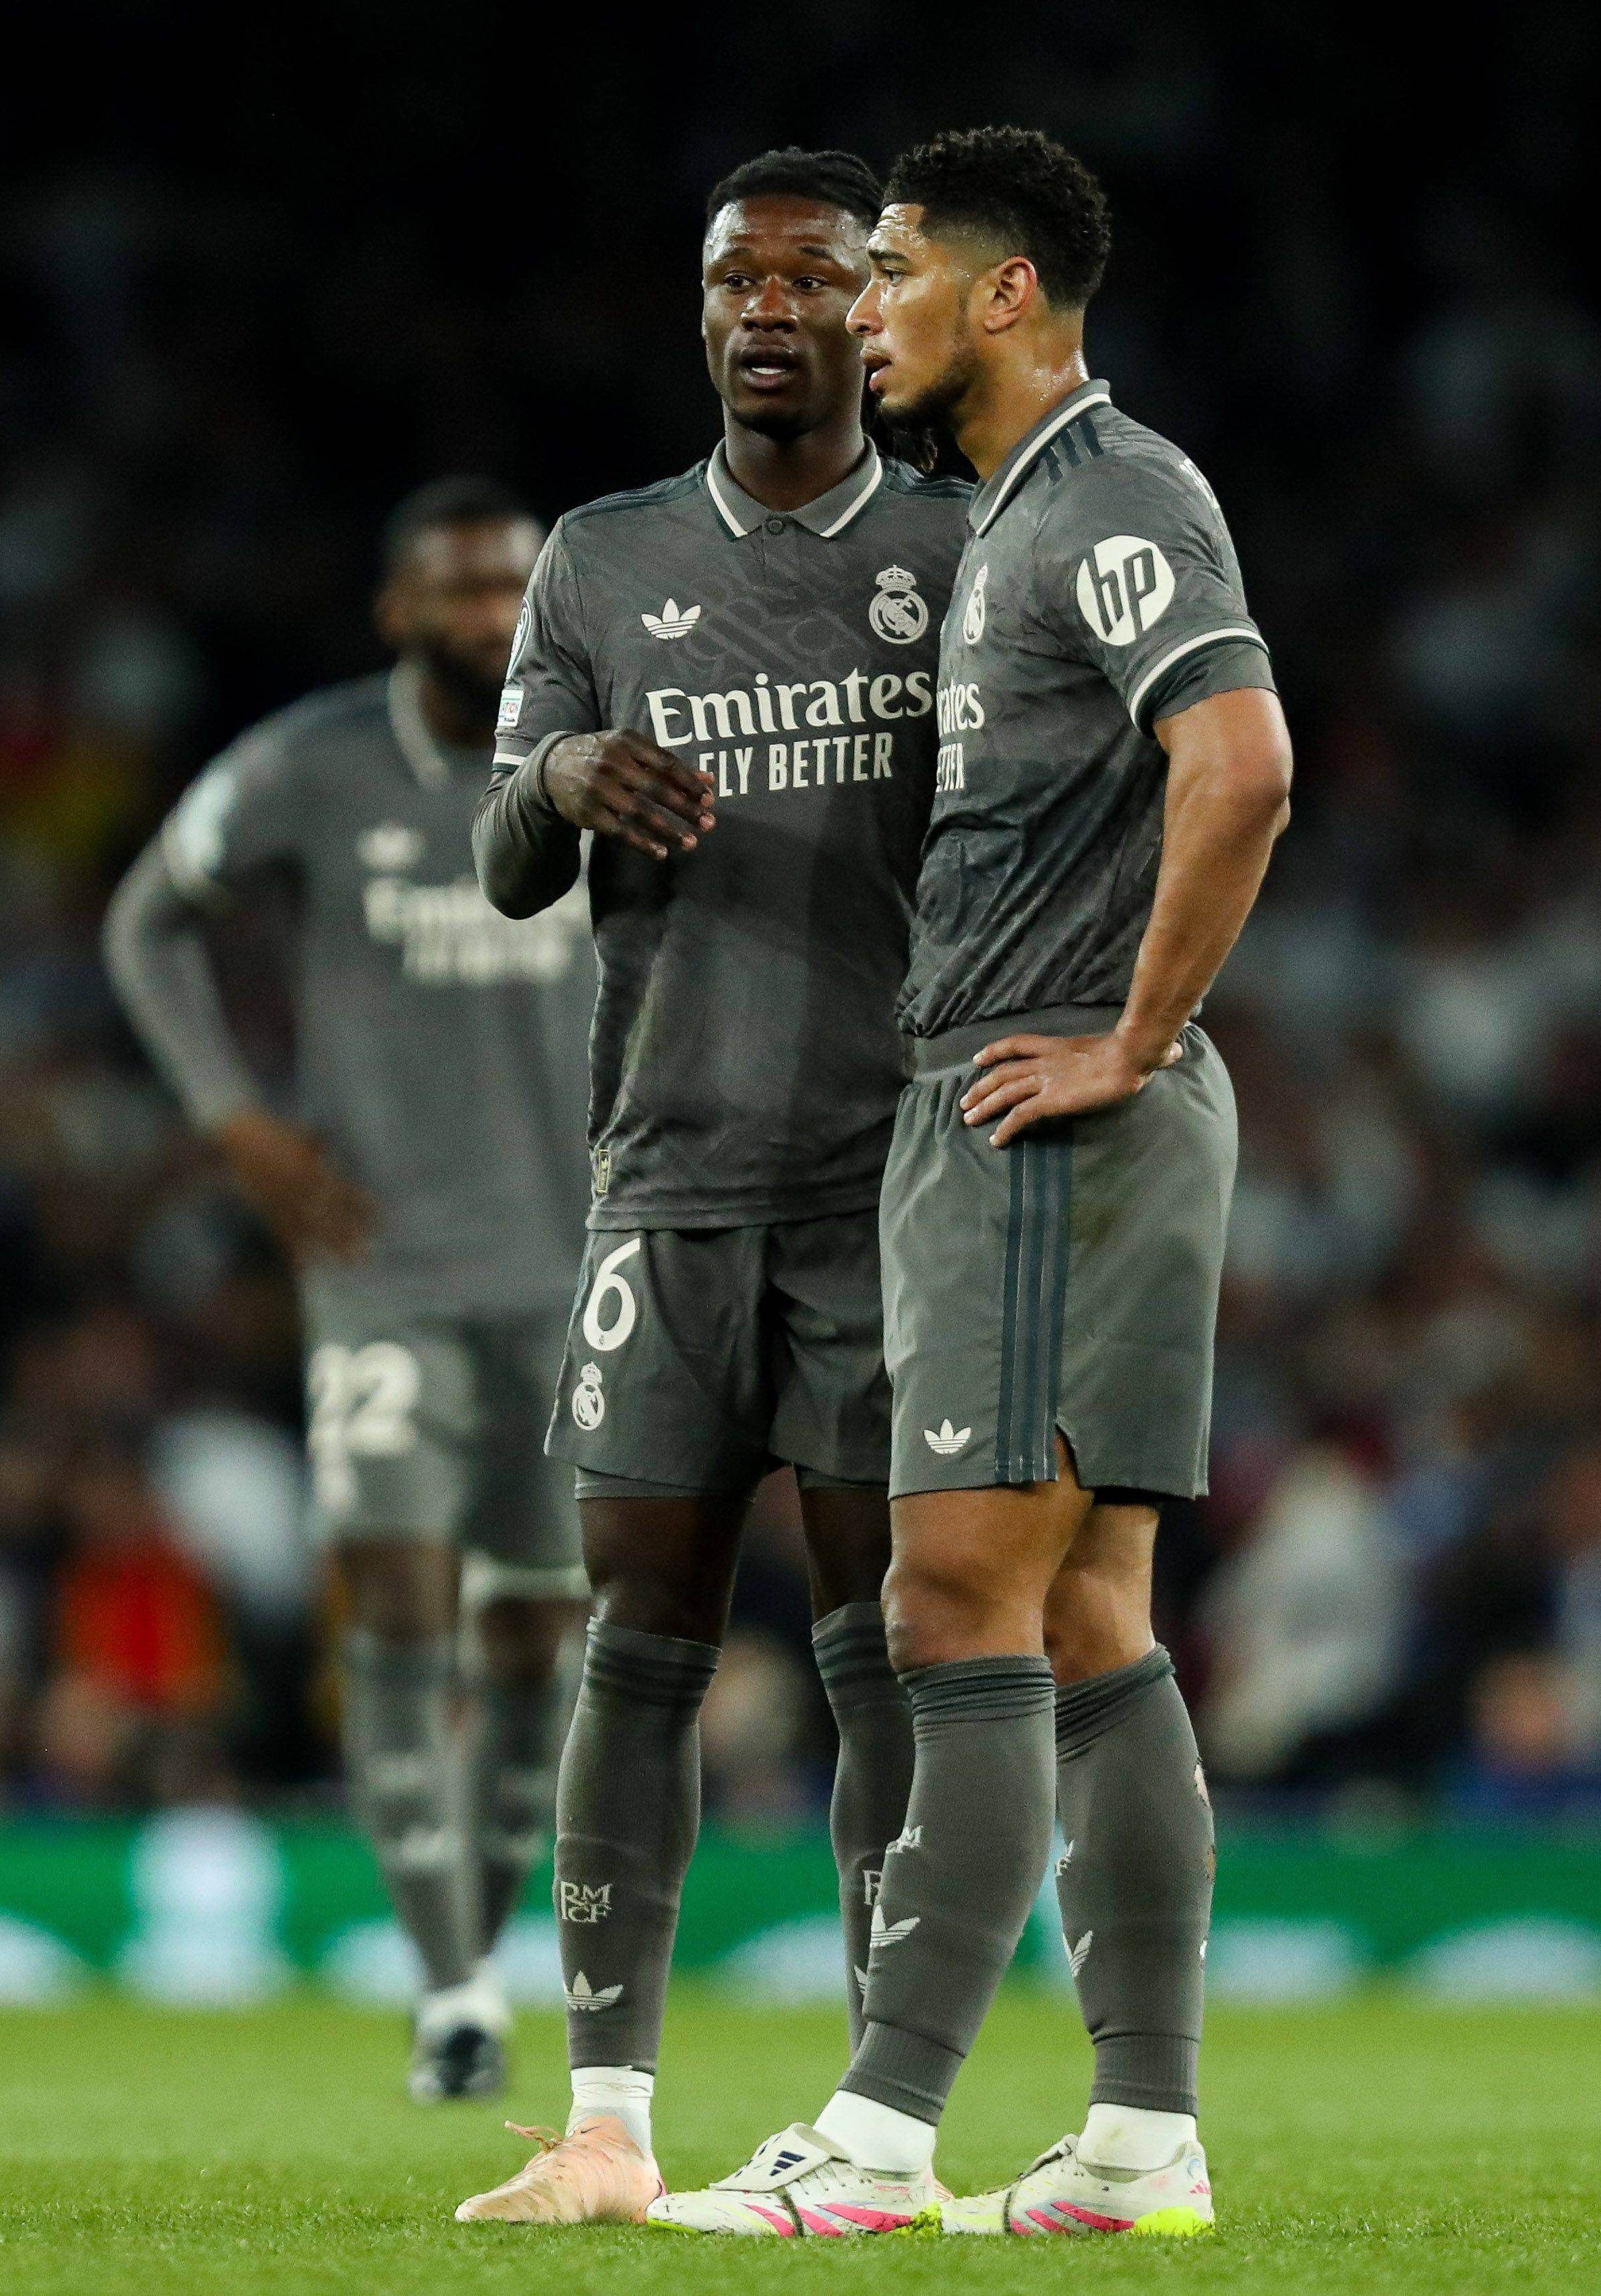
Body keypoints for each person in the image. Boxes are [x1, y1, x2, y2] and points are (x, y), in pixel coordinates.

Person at [655, 125, 1293, 2239]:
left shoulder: (1111, 499)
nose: (858, 308)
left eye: (894, 271)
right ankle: (1136, 2140)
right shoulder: (1016, 515)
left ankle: (874, 2139)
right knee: (1091, 1618)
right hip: (1026, 1119)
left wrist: (1125, 1035)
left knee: (956, 1605)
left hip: (1046, 1121)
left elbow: (1242, 759)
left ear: (1003, 295)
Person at [450, 147, 967, 2226]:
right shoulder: (597, 558)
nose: (765, 308)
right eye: (730, 280)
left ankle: (869, 2129)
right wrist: (563, 776)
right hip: (662, 1185)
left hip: (879, 1184)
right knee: (638, 1635)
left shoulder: (962, 544)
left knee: (879, 1644)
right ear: (697, 317)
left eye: (809, 279)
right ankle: (602, 2124)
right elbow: (499, 850)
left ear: (874, 313)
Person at [103, 480, 593, 2101]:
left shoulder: (604, 761)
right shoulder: (309, 765)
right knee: (391, 1595)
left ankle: (479, 1940)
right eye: (455, 591)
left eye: (509, 590)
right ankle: (451, 1987)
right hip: (383, 1274)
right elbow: (147, 921)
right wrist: (233, 1118)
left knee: (534, 1646)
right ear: (398, 610)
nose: (486, 617)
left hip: (578, 1273)